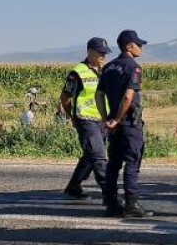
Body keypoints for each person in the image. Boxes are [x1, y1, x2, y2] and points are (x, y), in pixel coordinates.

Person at [95, 30, 153, 218]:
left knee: (114, 164)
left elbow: (99, 95)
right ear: (129, 46)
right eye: (138, 44)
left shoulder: (109, 67)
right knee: (132, 162)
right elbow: (129, 95)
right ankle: (131, 203)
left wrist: (107, 119)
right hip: (128, 122)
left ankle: (111, 203)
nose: (141, 47)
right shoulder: (133, 67)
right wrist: (119, 118)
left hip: (113, 122)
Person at [59, 37, 111, 200]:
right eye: (100, 52)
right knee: (98, 156)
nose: (103, 55)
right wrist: (72, 117)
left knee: (90, 155)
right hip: (86, 120)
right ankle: (110, 194)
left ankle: (73, 187)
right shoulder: (77, 72)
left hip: (102, 120)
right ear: (90, 51)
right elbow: (65, 98)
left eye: (105, 52)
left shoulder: (104, 71)